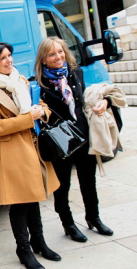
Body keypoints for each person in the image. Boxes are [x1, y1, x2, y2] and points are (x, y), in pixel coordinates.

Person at [0, 42, 60, 269]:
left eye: (10, 56)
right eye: (3, 58)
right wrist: (28, 118)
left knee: (34, 197)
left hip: (32, 147)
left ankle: (39, 242)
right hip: (11, 152)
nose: (9, 60)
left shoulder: (20, 80)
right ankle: (23, 249)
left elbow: (38, 104)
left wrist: (43, 111)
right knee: (20, 204)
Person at [34, 37, 113, 242]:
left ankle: (93, 218)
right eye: (52, 54)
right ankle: (68, 223)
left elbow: (86, 100)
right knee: (62, 186)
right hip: (61, 142)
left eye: (60, 52)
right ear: (43, 59)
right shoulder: (39, 85)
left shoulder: (75, 73)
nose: (58, 57)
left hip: (83, 135)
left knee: (89, 180)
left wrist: (104, 102)